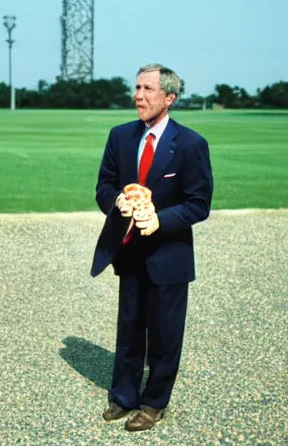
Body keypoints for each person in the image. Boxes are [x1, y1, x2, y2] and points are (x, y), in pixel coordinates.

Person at [91, 63, 214, 432]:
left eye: (147, 89)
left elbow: (199, 204)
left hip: (169, 256)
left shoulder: (191, 144)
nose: (138, 96)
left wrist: (161, 220)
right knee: (128, 330)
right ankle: (124, 396)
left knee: (164, 334)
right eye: (137, 87)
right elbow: (103, 186)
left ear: (169, 98)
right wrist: (116, 201)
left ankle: (153, 402)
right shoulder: (120, 136)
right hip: (128, 253)